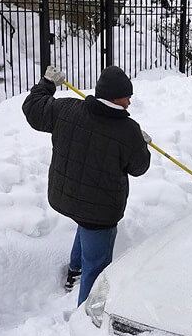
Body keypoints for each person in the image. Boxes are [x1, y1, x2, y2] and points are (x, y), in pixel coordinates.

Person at [23, 65, 151, 305]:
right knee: (98, 267)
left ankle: (75, 269)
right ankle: (85, 316)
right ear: (115, 97)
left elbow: (33, 108)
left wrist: (47, 84)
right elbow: (139, 168)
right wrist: (141, 144)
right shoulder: (128, 131)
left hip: (67, 197)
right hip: (100, 212)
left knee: (86, 221)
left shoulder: (66, 109)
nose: (130, 103)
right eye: (127, 97)